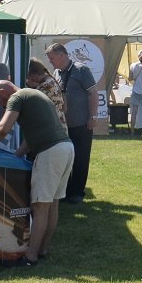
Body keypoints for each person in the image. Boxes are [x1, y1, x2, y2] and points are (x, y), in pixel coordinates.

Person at [0, 80, 73, 265]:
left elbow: (3, 129)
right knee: (52, 204)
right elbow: (30, 139)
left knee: (40, 207)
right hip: (66, 148)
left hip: (50, 152)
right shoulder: (33, 95)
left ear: (4, 92)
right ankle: (43, 250)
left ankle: (30, 256)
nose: (1, 105)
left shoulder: (16, 97)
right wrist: (14, 157)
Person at [46, 42, 100, 203]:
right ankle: (66, 191)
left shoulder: (81, 69)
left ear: (62, 55)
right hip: (63, 125)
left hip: (81, 123)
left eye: (52, 58)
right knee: (65, 159)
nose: (50, 62)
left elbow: (93, 94)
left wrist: (92, 117)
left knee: (81, 158)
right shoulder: (56, 72)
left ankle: (77, 193)